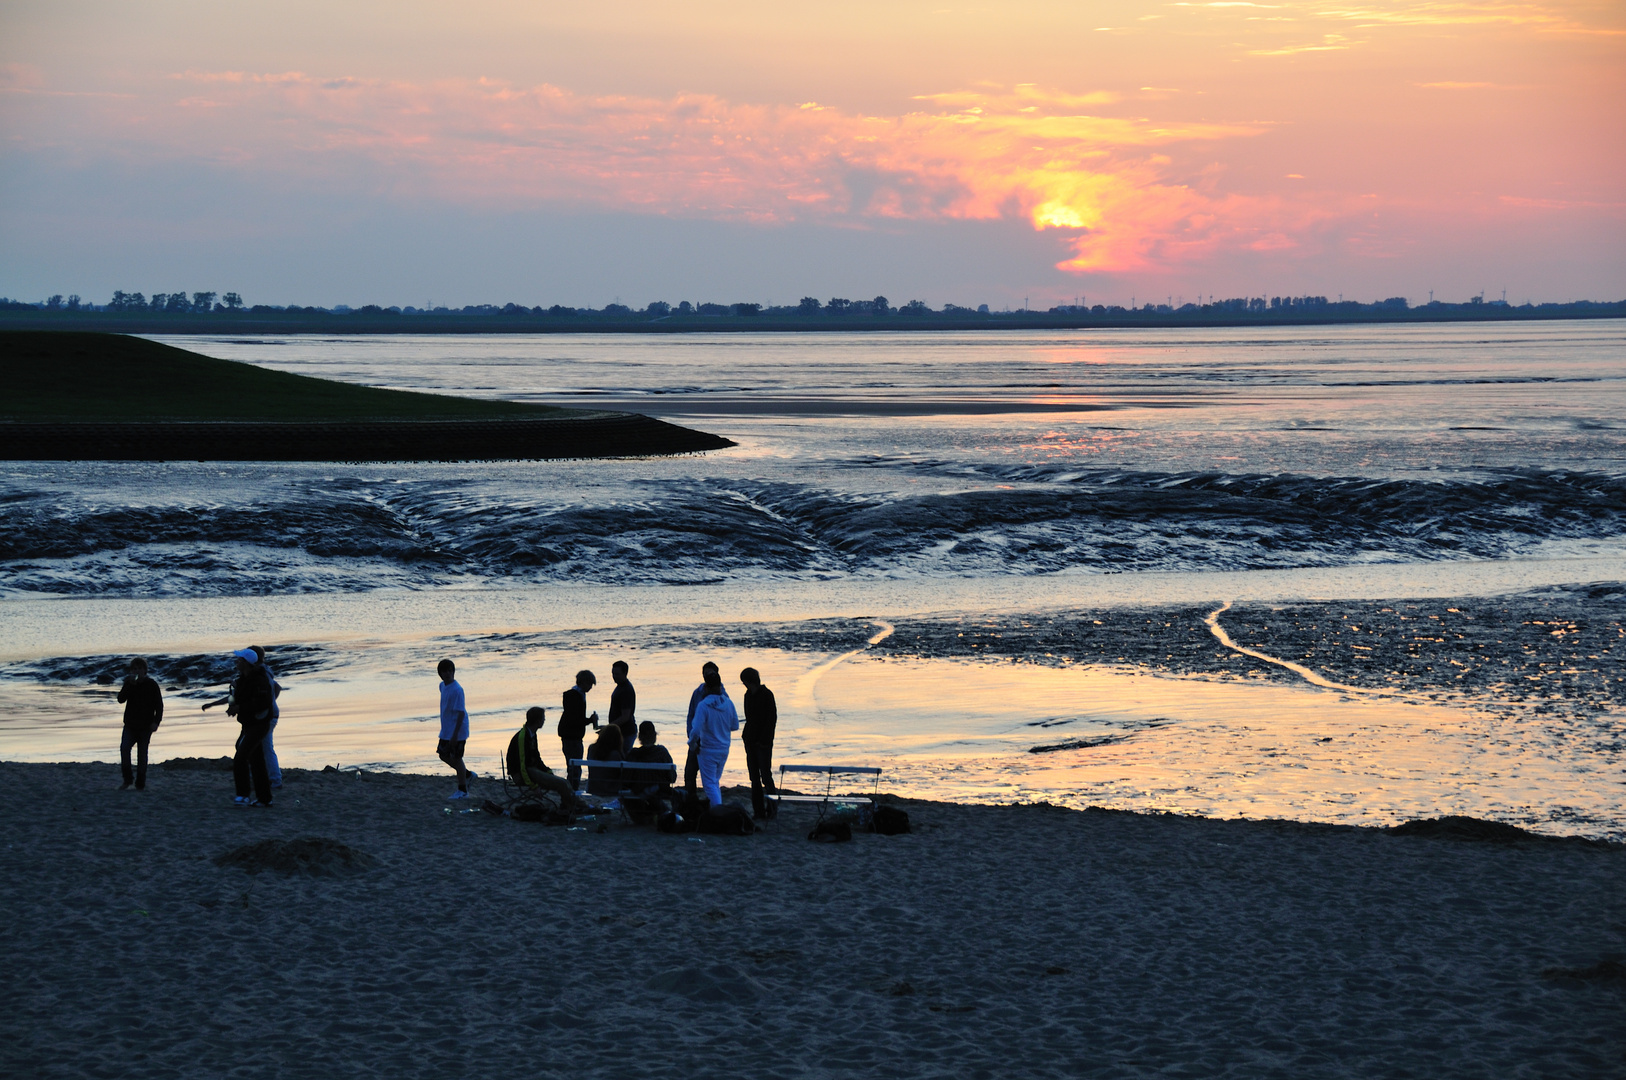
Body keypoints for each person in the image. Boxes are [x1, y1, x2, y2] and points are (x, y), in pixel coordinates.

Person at [505, 707, 585, 811]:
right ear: (538, 721)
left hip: (531, 769)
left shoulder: (532, 735)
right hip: (522, 774)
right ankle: (573, 806)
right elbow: (522, 765)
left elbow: (536, 757)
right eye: (543, 718)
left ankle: (572, 804)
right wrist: (533, 786)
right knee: (561, 784)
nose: (544, 720)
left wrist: (547, 770)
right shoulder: (523, 737)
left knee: (565, 782)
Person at [227, 648, 275, 807]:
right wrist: (233, 707)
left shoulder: (259, 680)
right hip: (248, 724)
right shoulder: (242, 680)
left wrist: (239, 708)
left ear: (246, 663)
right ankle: (264, 798)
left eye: (239, 660)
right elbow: (238, 700)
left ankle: (243, 795)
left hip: (260, 724)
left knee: (241, 757)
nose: (237, 662)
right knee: (257, 761)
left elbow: (263, 703)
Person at [688, 667, 739, 806]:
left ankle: (718, 811)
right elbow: (735, 726)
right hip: (724, 748)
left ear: (706, 687)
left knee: (709, 784)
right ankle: (715, 809)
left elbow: (695, 729)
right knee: (715, 781)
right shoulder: (729, 703)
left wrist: (692, 744)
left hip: (708, 749)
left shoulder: (703, 705)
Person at [115, 658, 163, 791]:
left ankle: (140, 783)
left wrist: (156, 722)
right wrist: (129, 685)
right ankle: (127, 780)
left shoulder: (152, 685)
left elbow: (159, 705)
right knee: (124, 749)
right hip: (130, 724)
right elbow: (120, 699)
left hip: (145, 726)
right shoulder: (129, 684)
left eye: (139, 669)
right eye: (134, 669)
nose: (137, 671)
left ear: (145, 671)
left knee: (142, 755)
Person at [740, 666, 779, 819]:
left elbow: (771, 720)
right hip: (750, 741)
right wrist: (747, 738)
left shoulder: (767, 695)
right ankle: (758, 811)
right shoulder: (747, 696)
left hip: (763, 743)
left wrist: (765, 740)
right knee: (754, 778)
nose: (745, 685)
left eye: (745, 682)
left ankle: (772, 809)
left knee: (766, 776)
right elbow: (749, 717)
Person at [683, 661, 724, 798]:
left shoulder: (723, 696)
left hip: (712, 743)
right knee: (689, 773)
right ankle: (691, 800)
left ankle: (711, 803)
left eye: (711, 674)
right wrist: (691, 736)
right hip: (696, 739)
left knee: (711, 777)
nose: (707, 676)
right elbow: (691, 715)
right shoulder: (697, 693)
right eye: (705, 674)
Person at [437, 659, 472, 800]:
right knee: (443, 754)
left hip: (458, 730)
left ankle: (463, 790)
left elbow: (460, 713)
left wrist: (455, 735)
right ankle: (467, 774)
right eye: (445, 671)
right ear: (440, 673)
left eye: (450, 670)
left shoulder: (457, 690)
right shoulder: (442, 686)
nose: (448, 673)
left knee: (457, 759)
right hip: (446, 729)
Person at [249, 645, 283, 791]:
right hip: (270, 713)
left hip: (267, 715)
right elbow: (277, 688)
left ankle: (275, 779)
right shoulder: (266, 671)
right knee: (261, 747)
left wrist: (268, 703)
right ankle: (270, 778)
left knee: (266, 747)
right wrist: (271, 701)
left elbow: (276, 688)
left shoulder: (261, 673)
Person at [558, 669, 598, 792]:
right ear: (584, 682)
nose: (590, 687)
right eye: (589, 684)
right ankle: (572, 792)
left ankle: (571, 791)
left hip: (571, 735)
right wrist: (590, 720)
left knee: (573, 766)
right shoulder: (574, 696)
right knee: (574, 767)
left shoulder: (577, 695)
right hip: (572, 736)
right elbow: (575, 719)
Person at [626, 720, 677, 797]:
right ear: (654, 736)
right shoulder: (662, 752)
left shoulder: (633, 754)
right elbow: (672, 777)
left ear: (640, 737)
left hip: (638, 791)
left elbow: (626, 779)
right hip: (660, 793)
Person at [585, 723, 626, 797]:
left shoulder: (592, 749)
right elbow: (621, 772)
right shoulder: (615, 754)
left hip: (592, 787)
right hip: (610, 789)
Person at [608, 660, 637, 754]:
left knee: (622, 760)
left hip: (626, 733)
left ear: (625, 673)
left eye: (617, 674)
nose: (614, 677)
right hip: (620, 732)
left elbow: (625, 717)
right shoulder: (620, 687)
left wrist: (609, 728)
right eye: (613, 674)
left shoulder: (626, 690)